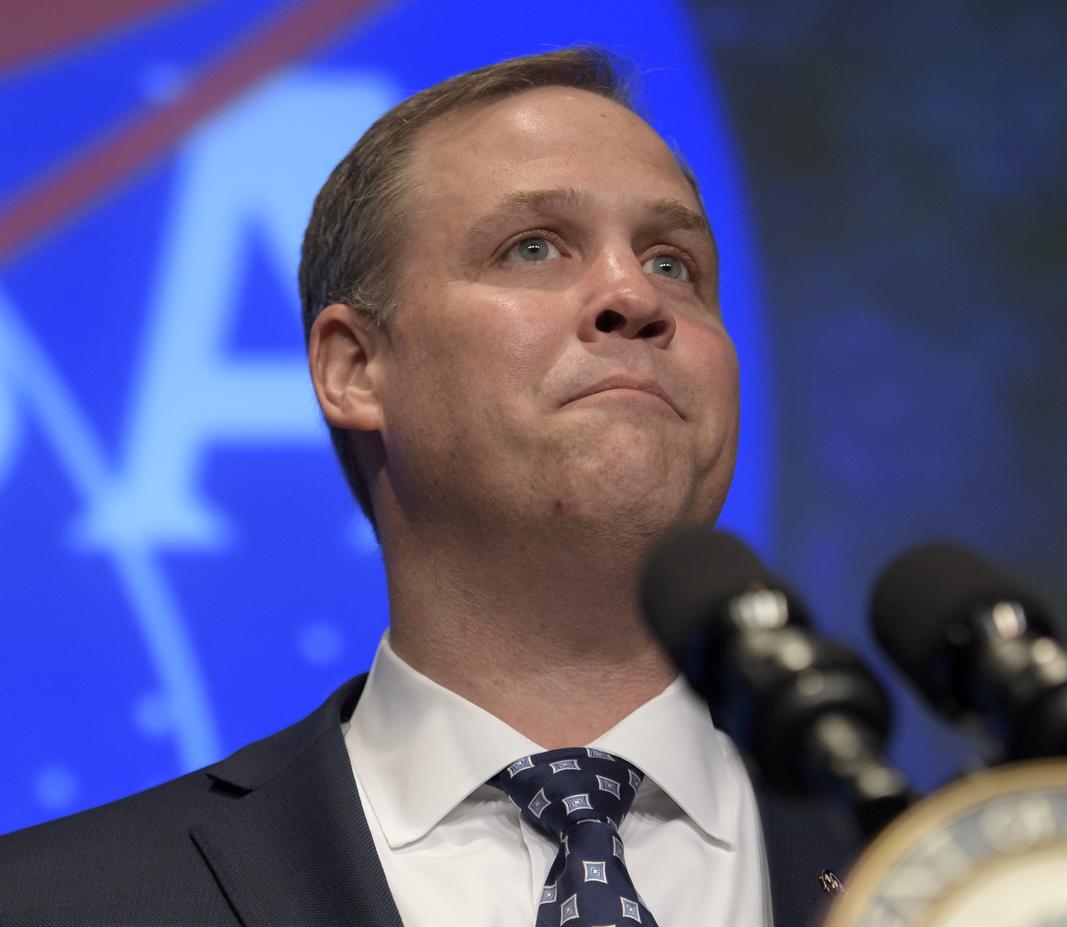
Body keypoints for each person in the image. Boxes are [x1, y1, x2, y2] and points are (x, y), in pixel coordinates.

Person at [0, 47, 856, 926]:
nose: (635, 294)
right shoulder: (52, 902)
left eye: (674, 263)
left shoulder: (948, 874)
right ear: (355, 368)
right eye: (534, 247)